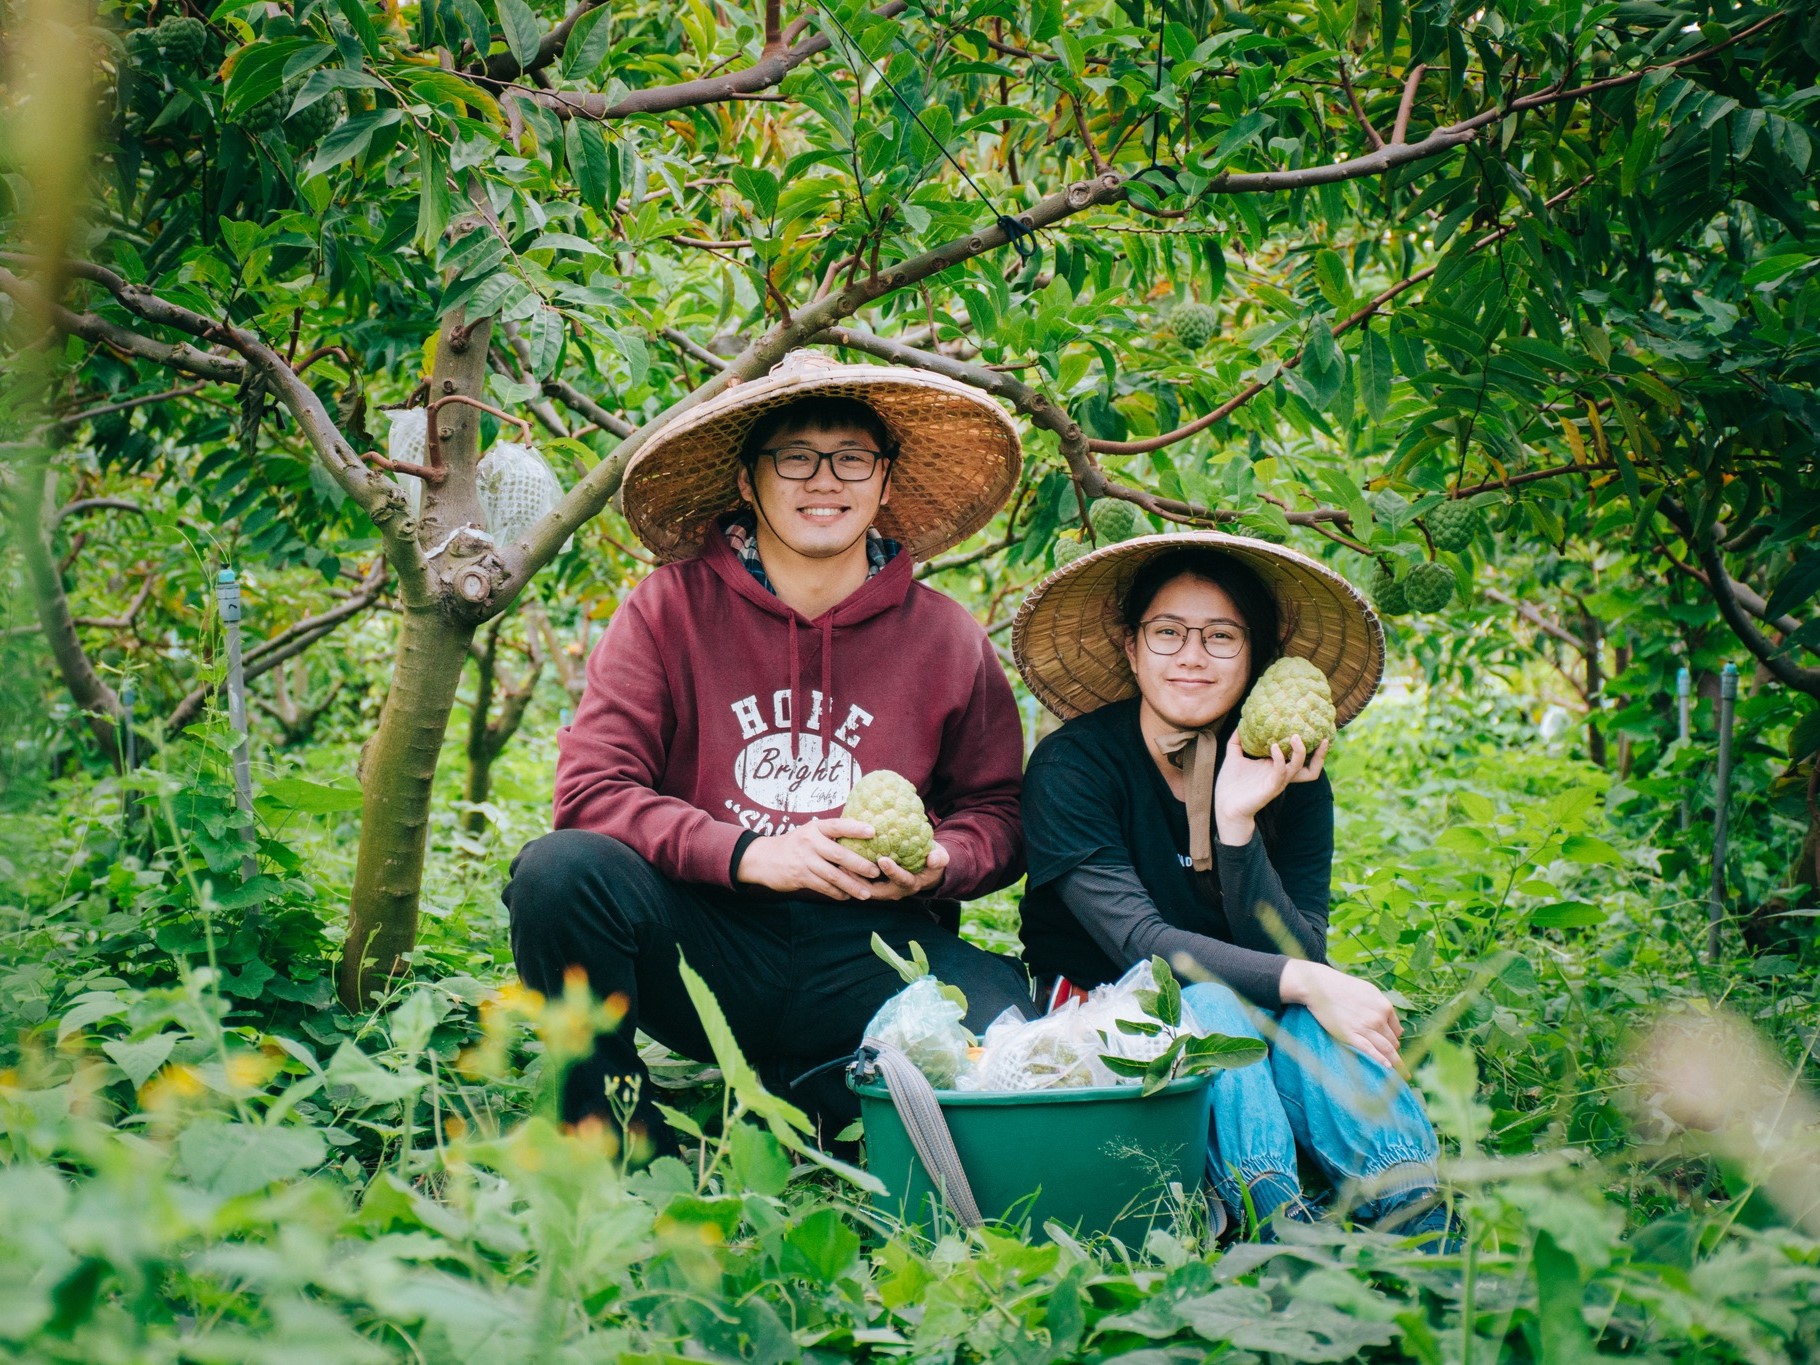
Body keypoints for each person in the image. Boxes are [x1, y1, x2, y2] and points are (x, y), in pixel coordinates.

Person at [505, 351, 1034, 1160]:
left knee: (1012, 1017)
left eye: (852, 457)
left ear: (885, 482)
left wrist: (942, 860)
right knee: (558, 874)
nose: (825, 479)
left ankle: (819, 1094)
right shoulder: (668, 609)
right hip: (711, 935)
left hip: (869, 947)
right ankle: (616, 1143)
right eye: (796, 456)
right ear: (749, 482)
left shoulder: (947, 637)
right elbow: (591, 790)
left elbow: (998, 815)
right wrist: (752, 853)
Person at [1012, 532, 1446, 1238]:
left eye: (1220, 635)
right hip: (1105, 1010)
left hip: (1252, 1008)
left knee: (1307, 1012)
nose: (1191, 654)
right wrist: (1308, 979)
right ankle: (1270, 1214)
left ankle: (1415, 1206)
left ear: (1254, 656)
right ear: (1131, 646)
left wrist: (1238, 824)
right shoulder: (1074, 768)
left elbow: (1294, 943)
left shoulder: (1294, 777)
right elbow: (1139, 945)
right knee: (1229, 999)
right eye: (1168, 632)